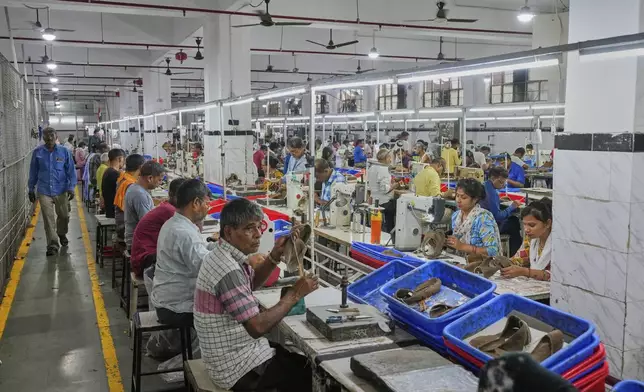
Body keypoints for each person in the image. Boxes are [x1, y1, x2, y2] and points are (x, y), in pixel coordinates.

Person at [195, 198, 318, 391]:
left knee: (296, 359)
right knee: (311, 374)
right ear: (228, 232)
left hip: (229, 355)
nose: (258, 235)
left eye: (259, 227)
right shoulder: (228, 269)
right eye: (249, 229)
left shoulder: (223, 255)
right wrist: (294, 294)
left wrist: (274, 256)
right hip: (235, 368)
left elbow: (249, 284)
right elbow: (256, 327)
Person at [152, 179, 218, 326]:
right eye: (207, 204)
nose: (208, 209)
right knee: (229, 313)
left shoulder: (175, 224)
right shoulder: (183, 233)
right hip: (176, 308)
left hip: (167, 300)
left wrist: (221, 245)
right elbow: (207, 269)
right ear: (195, 203)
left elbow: (202, 250)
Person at [28, 127, 77, 256]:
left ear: (56, 136)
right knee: (48, 219)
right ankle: (52, 245)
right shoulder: (38, 153)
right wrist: (31, 188)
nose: (49, 139)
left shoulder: (64, 152)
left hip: (61, 190)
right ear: (42, 137)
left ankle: (61, 233)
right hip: (44, 191)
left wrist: (71, 187)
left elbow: (71, 171)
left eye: (51, 136)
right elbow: (33, 172)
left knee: (64, 216)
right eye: (46, 136)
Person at [130, 178, 186, 278]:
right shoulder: (169, 211)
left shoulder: (167, 206)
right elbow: (185, 236)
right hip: (144, 261)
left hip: (142, 256)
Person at [446, 179, 501, 257]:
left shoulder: (483, 218)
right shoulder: (456, 216)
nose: (458, 200)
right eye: (457, 196)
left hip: (481, 265)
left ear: (475, 199)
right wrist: (445, 242)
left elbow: (493, 250)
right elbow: (456, 242)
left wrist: (463, 247)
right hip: (461, 260)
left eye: (464, 197)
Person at [501, 198, 552, 281]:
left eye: (532, 225)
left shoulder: (559, 246)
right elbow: (518, 259)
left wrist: (525, 272)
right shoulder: (531, 240)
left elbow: (555, 276)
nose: (526, 229)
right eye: (524, 224)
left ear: (547, 223)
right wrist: (500, 263)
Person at [480, 167, 522, 256]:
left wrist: (499, 200)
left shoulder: (484, 186)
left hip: (481, 223)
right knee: (514, 222)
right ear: (492, 178)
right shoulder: (492, 193)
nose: (502, 185)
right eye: (500, 182)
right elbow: (498, 216)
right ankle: (513, 255)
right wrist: (512, 207)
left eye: (504, 183)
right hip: (489, 227)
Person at [124, 160, 166, 250]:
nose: (160, 183)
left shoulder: (136, 188)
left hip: (137, 238)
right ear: (150, 178)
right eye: (159, 180)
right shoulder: (140, 194)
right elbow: (148, 225)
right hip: (138, 244)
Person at [114, 154, 145, 241]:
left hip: (121, 223)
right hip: (124, 228)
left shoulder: (124, 177)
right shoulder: (130, 185)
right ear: (141, 167)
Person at [101, 149, 126, 219]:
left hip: (109, 210)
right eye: (123, 160)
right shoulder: (115, 174)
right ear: (120, 159)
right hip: (114, 212)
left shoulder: (107, 171)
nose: (124, 162)